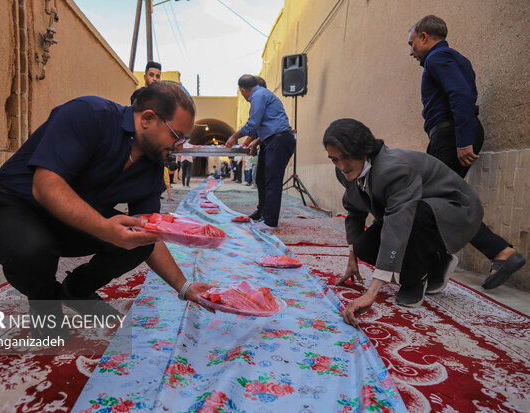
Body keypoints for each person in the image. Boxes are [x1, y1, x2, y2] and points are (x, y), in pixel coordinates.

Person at [0, 82, 213, 340]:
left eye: (184, 140)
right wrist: (104, 228)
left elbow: (149, 230)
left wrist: (184, 286)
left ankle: (76, 290)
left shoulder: (151, 165)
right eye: (176, 135)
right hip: (14, 204)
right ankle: (46, 300)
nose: (179, 146)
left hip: (72, 221)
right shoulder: (89, 114)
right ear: (148, 118)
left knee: (141, 242)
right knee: (31, 251)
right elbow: (46, 186)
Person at [325, 119, 484, 326]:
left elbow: (397, 224)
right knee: (364, 245)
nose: (342, 165)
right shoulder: (345, 171)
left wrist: (371, 293)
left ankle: (415, 279)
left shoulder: (393, 168)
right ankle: (437, 261)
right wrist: (352, 257)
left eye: (346, 156)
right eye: (335, 159)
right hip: (414, 210)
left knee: (412, 216)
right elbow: (354, 209)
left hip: (455, 210)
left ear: (363, 149)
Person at [408, 15, 525, 289]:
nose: (410, 51)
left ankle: (498, 251)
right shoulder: (456, 58)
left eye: (411, 43)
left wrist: (462, 141)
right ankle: (442, 261)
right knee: (442, 200)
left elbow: (460, 95)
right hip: (452, 134)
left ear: (424, 37)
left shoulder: (438, 58)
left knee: (436, 200)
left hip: (451, 136)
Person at [225, 74, 295, 230]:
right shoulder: (261, 95)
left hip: (278, 141)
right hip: (270, 140)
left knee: (272, 181)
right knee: (262, 179)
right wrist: (250, 143)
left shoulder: (258, 95)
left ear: (243, 90)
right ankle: (263, 212)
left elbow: (253, 123)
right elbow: (261, 126)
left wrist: (233, 137)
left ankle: (270, 222)